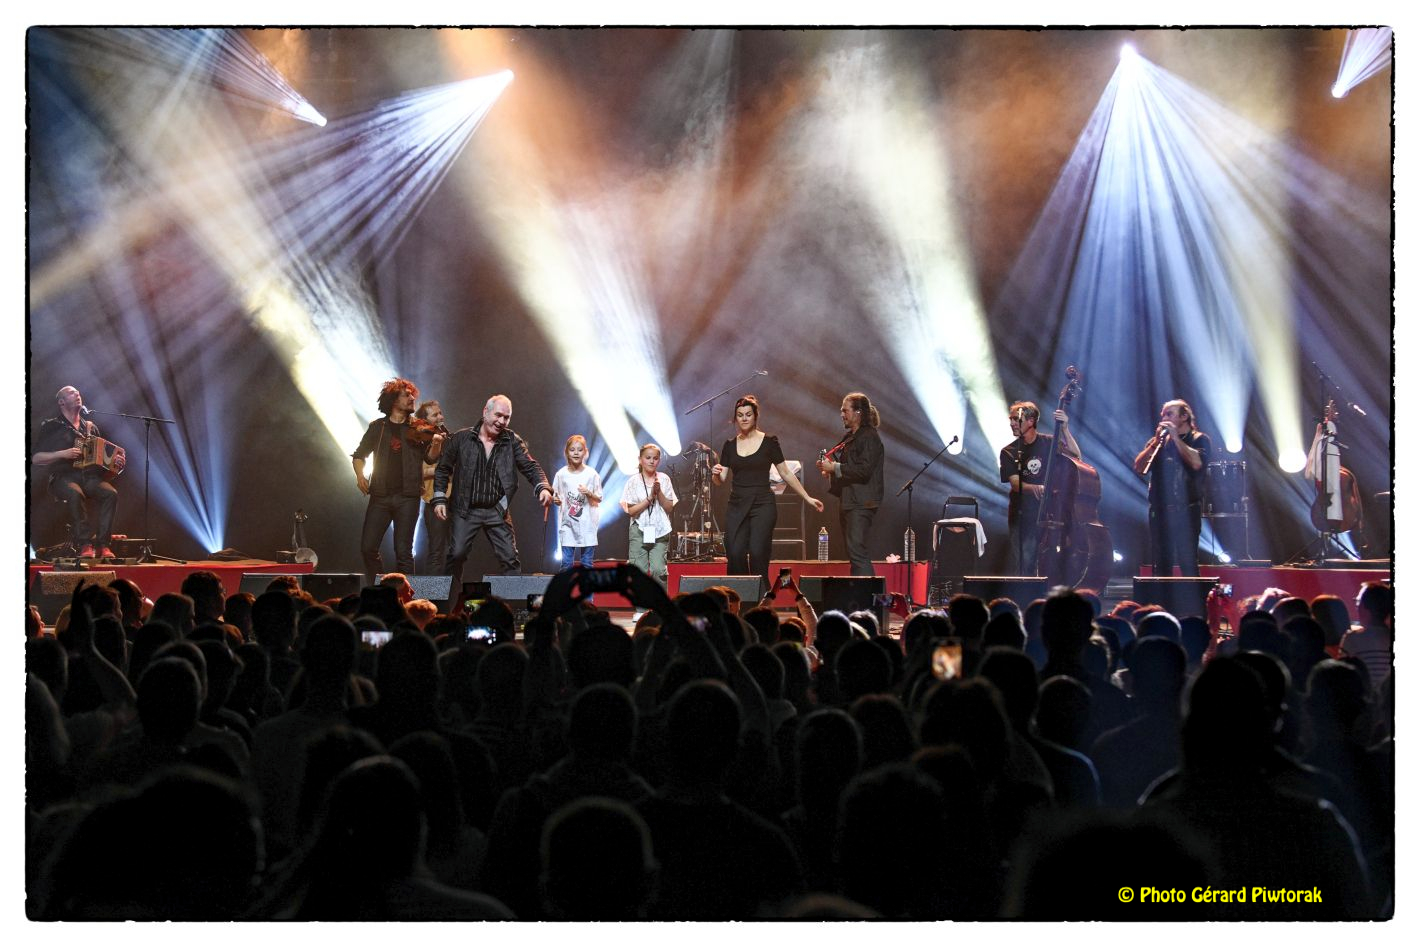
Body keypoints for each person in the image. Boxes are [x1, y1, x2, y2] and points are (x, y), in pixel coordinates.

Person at [433, 395, 553, 597]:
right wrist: (439, 498)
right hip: (466, 509)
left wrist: (543, 488)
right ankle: (449, 604)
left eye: (506, 417)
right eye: (498, 415)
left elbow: (531, 466)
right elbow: (443, 468)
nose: (501, 421)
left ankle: (513, 607)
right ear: (485, 412)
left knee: (510, 558)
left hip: (497, 509)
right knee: (456, 554)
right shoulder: (462, 438)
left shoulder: (512, 441)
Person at [712, 395, 823, 588]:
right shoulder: (729, 445)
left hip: (762, 504)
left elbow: (785, 473)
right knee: (735, 553)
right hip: (737, 504)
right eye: (740, 415)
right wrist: (715, 474)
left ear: (755, 416)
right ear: (735, 418)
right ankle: (739, 597)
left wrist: (807, 497)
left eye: (748, 414)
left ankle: (760, 599)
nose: (744, 418)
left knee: (757, 553)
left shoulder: (770, 442)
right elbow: (720, 479)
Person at [351, 379, 434, 584]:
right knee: (368, 548)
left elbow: (431, 457)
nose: (412, 398)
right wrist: (360, 476)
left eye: (412, 394)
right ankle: (381, 588)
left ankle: (405, 595)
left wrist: (438, 444)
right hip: (380, 495)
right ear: (393, 400)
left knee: (403, 551)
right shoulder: (378, 427)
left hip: (408, 497)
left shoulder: (419, 427)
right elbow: (359, 455)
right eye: (407, 395)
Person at [32, 386, 125, 558]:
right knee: (75, 493)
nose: (77, 394)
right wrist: (63, 454)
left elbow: (103, 472)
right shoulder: (52, 426)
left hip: (89, 478)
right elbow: (36, 458)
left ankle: (103, 546)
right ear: (61, 402)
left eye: (78, 392)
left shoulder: (90, 428)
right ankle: (85, 544)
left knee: (110, 494)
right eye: (71, 393)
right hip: (62, 477)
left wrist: (116, 467)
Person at [998, 401, 1079, 575]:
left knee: (1049, 561)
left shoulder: (1049, 442)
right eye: (1011, 419)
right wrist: (1035, 488)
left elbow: (1076, 456)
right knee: (1025, 562)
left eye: (1016, 419)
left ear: (1031, 421)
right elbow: (1015, 484)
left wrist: (1065, 429)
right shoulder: (1008, 451)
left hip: (1050, 512)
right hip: (1022, 515)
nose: (1012, 423)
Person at [1132, 399, 1210, 577]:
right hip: (1159, 510)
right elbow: (1140, 468)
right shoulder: (1158, 443)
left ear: (1184, 416)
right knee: (1161, 562)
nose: (1164, 419)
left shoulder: (1199, 439)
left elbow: (1197, 463)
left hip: (1186, 510)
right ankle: (1161, 594)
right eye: (1163, 415)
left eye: (1169, 414)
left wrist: (1175, 438)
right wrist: (1155, 443)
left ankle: (1193, 595)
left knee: (1187, 561)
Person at [815, 392, 884, 577]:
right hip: (850, 501)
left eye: (845, 411)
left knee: (857, 551)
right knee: (854, 552)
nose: (842, 415)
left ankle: (868, 593)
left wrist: (834, 467)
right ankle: (861, 591)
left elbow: (864, 470)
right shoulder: (850, 437)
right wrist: (830, 470)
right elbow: (849, 468)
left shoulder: (869, 437)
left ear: (858, 412)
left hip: (861, 503)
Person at [620, 444, 677, 584]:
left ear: (659, 460)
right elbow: (631, 511)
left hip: (661, 531)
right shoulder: (633, 481)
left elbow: (669, 508)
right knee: (639, 572)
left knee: (658, 570)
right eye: (648, 457)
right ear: (640, 460)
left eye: (655, 458)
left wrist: (659, 492)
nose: (652, 461)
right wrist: (650, 497)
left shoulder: (664, 479)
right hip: (638, 530)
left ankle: (659, 599)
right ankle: (641, 599)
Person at [552, 435, 604, 570]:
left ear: (585, 452)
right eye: (572, 450)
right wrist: (556, 500)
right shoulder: (561, 474)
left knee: (587, 564)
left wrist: (589, 493)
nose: (576, 453)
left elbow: (599, 498)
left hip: (587, 526)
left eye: (580, 450)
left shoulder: (592, 474)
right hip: (567, 525)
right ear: (566, 452)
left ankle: (586, 585)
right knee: (566, 565)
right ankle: (565, 585)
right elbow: (556, 495)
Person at [415, 399, 453, 575]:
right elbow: (417, 472)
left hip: (454, 499)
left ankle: (453, 590)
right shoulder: (419, 441)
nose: (440, 417)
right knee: (436, 550)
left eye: (440, 413)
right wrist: (442, 469)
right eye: (435, 415)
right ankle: (433, 590)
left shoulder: (447, 437)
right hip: (434, 501)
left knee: (456, 551)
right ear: (424, 420)